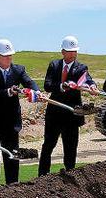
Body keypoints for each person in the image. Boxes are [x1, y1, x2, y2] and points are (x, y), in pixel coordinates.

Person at [39, 35, 94, 175]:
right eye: (70, 51)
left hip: (72, 115)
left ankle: (70, 175)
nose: (73, 54)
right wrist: (61, 86)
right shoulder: (54, 65)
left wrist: (92, 85)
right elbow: (47, 85)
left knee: (70, 147)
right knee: (48, 146)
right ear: (63, 51)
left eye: (75, 51)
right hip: (54, 114)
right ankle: (42, 177)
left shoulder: (81, 67)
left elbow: (87, 79)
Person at [0, 38, 37, 184]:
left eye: (10, 55)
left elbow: (29, 82)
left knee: (12, 158)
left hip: (12, 122)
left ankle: (13, 187)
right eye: (5, 55)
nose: (8, 58)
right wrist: (7, 91)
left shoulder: (18, 69)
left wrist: (36, 92)